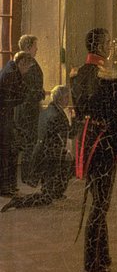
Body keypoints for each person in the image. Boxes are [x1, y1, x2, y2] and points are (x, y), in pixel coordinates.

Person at [71, 28, 117, 272]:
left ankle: (103, 255)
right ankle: (92, 260)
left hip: (86, 141)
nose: (110, 46)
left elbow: (79, 112)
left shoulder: (78, 74)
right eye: (108, 42)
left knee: (98, 201)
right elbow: (113, 117)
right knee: (101, 204)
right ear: (100, 46)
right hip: (103, 143)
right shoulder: (108, 75)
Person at [2, 85, 73, 209]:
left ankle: (53, 193)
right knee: (46, 197)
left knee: (49, 191)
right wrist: (64, 151)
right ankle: (19, 201)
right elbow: (57, 138)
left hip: (45, 155)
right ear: (60, 98)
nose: (68, 100)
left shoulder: (50, 110)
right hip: (50, 157)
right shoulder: (56, 114)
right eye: (66, 97)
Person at [14, 33, 44, 186]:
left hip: (29, 110)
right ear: (28, 47)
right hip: (27, 111)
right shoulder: (25, 64)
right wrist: (40, 93)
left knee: (30, 143)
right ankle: (27, 177)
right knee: (28, 144)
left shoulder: (29, 62)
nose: (36, 49)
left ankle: (28, 176)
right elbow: (28, 90)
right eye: (34, 46)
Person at [0, 50, 31, 196]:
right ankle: (5, 187)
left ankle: (9, 186)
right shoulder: (10, 74)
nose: (27, 70)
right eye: (28, 66)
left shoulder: (11, 71)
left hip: (6, 118)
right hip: (3, 119)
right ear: (22, 63)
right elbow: (8, 100)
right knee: (7, 153)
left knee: (10, 152)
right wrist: (23, 95)